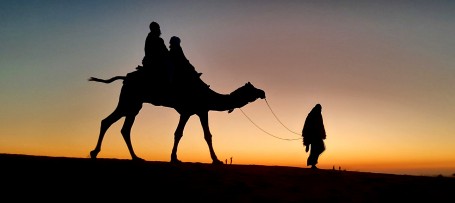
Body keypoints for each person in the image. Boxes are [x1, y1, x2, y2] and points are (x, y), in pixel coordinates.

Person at [302, 104, 326, 170]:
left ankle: (313, 163)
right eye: (320, 109)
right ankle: (312, 164)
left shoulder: (319, 115)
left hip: (318, 136)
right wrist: (307, 140)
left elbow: (321, 125)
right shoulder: (311, 115)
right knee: (315, 150)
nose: (320, 110)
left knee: (321, 148)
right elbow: (306, 125)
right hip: (313, 136)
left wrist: (323, 134)